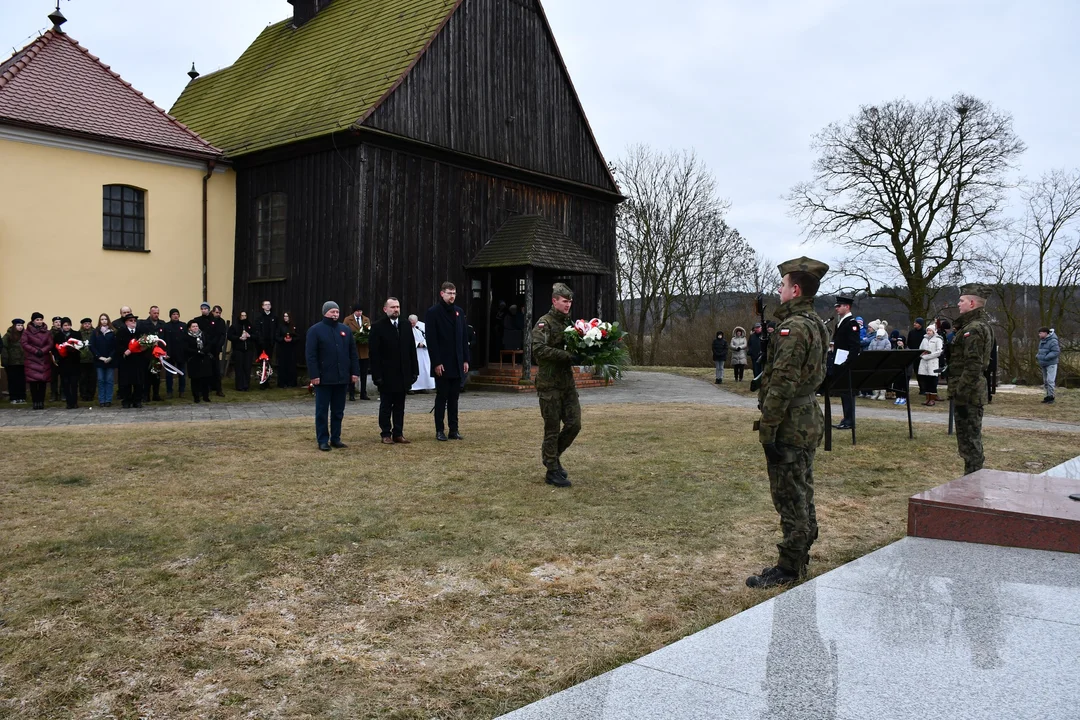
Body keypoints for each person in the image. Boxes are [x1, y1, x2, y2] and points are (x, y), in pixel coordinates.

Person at [746, 257, 830, 589]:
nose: (779, 290)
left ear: (795, 289)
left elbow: (782, 382)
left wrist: (768, 428)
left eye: (782, 284)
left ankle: (789, 566)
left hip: (791, 423)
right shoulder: (815, 323)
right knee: (802, 488)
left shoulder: (794, 327)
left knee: (789, 494)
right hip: (806, 418)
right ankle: (799, 551)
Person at [531, 283, 580, 487]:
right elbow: (538, 350)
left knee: (574, 424)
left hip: (566, 383)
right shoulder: (544, 323)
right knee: (551, 429)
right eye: (564, 301)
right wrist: (566, 356)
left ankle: (552, 457)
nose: (568, 305)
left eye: (570, 301)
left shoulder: (570, 325)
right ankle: (552, 471)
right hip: (549, 384)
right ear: (554, 301)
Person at [950, 283, 994, 474]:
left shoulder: (974, 329)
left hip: (969, 394)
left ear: (973, 303)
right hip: (969, 393)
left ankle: (973, 481)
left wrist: (961, 394)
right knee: (968, 441)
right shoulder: (973, 325)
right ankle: (972, 478)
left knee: (970, 442)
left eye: (961, 300)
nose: (958, 304)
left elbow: (973, 365)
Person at [305, 301, 360, 451]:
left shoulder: (345, 330)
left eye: (337, 312)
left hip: (341, 378)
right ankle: (323, 440)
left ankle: (336, 438)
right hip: (323, 379)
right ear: (325, 313)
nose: (335, 314)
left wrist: (354, 372)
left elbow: (353, 354)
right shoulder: (315, 330)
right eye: (332, 312)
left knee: (338, 411)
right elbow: (311, 355)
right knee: (322, 411)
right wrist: (314, 375)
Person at [369, 297, 419, 444]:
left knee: (400, 406)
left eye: (397, 307)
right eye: (392, 307)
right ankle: (385, 433)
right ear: (385, 309)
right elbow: (374, 353)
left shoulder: (405, 325)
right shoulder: (378, 326)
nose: (396, 310)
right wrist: (376, 375)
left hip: (403, 373)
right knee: (386, 405)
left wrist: (414, 371)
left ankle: (398, 433)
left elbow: (411, 350)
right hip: (386, 374)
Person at [425, 282, 471, 441]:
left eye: (454, 293)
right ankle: (439, 430)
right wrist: (436, 362)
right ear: (442, 294)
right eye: (449, 293)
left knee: (454, 398)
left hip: (457, 361)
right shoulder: (433, 312)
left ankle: (454, 429)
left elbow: (464, 337)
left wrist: (465, 359)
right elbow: (432, 340)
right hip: (442, 363)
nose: (452, 296)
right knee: (442, 397)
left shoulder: (459, 312)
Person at [830, 294, 861, 429]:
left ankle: (849, 420)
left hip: (846, 362)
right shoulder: (841, 322)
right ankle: (846, 418)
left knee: (848, 393)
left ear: (847, 307)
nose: (837, 308)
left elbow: (854, 346)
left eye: (839, 306)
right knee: (844, 392)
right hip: (839, 360)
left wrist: (849, 362)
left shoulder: (852, 323)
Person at [20, 312, 53, 409]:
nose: (39, 321)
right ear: (33, 321)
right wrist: (35, 351)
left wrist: (42, 350)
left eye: (41, 319)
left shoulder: (47, 332)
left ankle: (41, 402)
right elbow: (24, 343)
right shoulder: (27, 332)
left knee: (43, 382)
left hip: (44, 359)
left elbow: (50, 343)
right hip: (32, 360)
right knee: (33, 383)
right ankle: (35, 402)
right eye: (37, 320)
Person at [114, 313, 146, 408]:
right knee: (126, 382)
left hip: (138, 360)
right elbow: (117, 345)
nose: (133, 323)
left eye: (134, 321)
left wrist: (144, 347)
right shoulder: (121, 332)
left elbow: (144, 343)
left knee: (138, 382)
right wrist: (124, 350)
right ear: (126, 322)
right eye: (130, 321)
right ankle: (126, 400)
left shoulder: (140, 332)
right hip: (126, 361)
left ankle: (137, 400)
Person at [343, 304, 372, 400]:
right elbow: (344, 332)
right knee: (353, 372)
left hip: (364, 350)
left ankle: (363, 393)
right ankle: (351, 393)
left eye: (361, 311)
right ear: (354, 311)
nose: (359, 313)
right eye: (357, 311)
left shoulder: (366, 319)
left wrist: (365, 337)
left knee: (364, 372)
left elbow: (369, 330)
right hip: (353, 349)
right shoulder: (348, 320)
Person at [137, 306, 166, 402]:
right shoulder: (144, 324)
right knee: (147, 376)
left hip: (158, 354)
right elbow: (141, 338)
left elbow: (165, 339)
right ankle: (146, 395)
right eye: (154, 313)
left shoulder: (162, 324)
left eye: (157, 313)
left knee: (156, 375)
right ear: (149, 313)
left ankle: (156, 394)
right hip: (147, 354)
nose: (156, 315)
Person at [89, 313, 116, 407]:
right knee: (101, 380)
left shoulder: (113, 332)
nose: (104, 321)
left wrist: (110, 357)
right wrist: (99, 357)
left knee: (109, 380)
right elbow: (92, 346)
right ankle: (102, 400)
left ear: (108, 320)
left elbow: (115, 347)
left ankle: (108, 400)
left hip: (110, 360)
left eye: (105, 319)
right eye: (102, 319)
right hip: (99, 360)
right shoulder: (95, 332)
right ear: (99, 321)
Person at [184, 320, 214, 403]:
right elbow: (186, 348)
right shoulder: (187, 336)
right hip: (193, 359)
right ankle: (196, 397)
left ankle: (206, 396)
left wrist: (204, 351)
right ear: (189, 328)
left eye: (196, 326)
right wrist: (197, 352)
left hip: (204, 358)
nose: (195, 328)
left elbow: (209, 344)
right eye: (193, 326)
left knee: (206, 379)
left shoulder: (203, 335)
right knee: (195, 380)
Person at [55, 317, 82, 408]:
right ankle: (69, 402)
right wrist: (60, 352)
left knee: (74, 383)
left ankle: (75, 402)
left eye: (68, 325)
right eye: (65, 325)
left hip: (74, 362)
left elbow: (81, 346)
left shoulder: (76, 334)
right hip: (63, 363)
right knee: (65, 383)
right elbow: (55, 347)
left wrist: (74, 349)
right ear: (62, 326)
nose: (67, 327)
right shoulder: (58, 335)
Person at [162, 309, 187, 399]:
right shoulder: (166, 326)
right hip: (170, 354)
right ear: (170, 316)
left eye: (177, 314)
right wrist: (165, 352)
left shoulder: (183, 326)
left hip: (181, 354)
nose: (175, 316)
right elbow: (163, 340)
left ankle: (182, 391)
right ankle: (169, 391)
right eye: (173, 314)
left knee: (182, 373)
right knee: (169, 374)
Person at [917, 323, 944, 406]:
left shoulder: (938, 339)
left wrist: (928, 356)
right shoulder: (924, 339)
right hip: (924, 362)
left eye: (930, 330)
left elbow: (939, 351)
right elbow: (920, 349)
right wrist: (922, 355)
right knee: (926, 380)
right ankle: (927, 398)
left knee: (932, 381)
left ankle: (932, 399)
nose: (928, 332)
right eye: (927, 330)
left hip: (932, 362)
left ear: (933, 331)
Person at [2, 318, 27, 404]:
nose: (20, 327)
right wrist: (5, 360)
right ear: (14, 326)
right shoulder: (8, 335)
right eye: (18, 325)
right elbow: (4, 348)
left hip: (23, 362)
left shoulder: (25, 335)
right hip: (12, 362)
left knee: (21, 380)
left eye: (21, 325)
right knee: (13, 380)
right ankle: (13, 397)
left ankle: (22, 397)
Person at [229, 310, 255, 391]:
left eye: (245, 315)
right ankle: (239, 386)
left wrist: (249, 335)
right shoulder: (234, 326)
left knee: (247, 368)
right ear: (239, 316)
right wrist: (238, 338)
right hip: (238, 350)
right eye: (242, 315)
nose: (244, 317)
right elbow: (230, 336)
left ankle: (246, 385)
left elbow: (256, 335)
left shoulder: (250, 326)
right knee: (239, 368)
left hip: (248, 350)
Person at [409, 314, 436, 393]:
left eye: (414, 323)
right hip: (414, 351)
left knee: (424, 368)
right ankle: (412, 388)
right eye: (411, 323)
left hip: (424, 351)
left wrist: (423, 343)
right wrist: (417, 344)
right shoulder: (406, 327)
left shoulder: (423, 326)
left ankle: (424, 386)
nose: (413, 325)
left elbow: (430, 336)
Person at [254, 300, 278, 385]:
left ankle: (267, 380)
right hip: (261, 344)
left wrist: (273, 340)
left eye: (269, 304)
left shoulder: (274, 317)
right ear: (262, 306)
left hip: (270, 344)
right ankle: (261, 380)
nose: (267, 306)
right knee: (262, 362)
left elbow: (276, 330)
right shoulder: (259, 317)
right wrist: (260, 341)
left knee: (269, 362)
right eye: (266, 305)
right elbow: (257, 330)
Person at [866, 326, 892, 400]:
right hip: (874, 362)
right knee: (875, 377)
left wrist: (880, 355)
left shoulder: (886, 341)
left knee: (882, 377)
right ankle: (875, 393)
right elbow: (869, 349)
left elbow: (887, 350)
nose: (878, 336)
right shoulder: (873, 341)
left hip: (883, 362)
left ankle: (882, 394)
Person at [276, 312, 300, 388]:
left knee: (291, 366)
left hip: (292, 349)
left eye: (287, 316)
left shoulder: (293, 326)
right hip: (283, 348)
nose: (285, 318)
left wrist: (292, 339)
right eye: (284, 316)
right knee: (283, 366)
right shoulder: (280, 326)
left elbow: (298, 337)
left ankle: (291, 382)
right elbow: (277, 336)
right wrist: (283, 339)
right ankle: (283, 383)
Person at [49, 316, 63, 401]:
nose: (58, 324)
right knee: (53, 377)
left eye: (59, 322)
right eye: (56, 322)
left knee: (63, 376)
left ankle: (62, 393)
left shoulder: (64, 332)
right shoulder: (49, 333)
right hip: (52, 357)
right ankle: (53, 394)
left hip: (62, 356)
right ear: (53, 323)